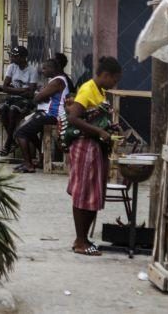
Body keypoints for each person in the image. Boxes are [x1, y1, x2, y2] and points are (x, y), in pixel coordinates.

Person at [66, 56, 122, 256]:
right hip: (85, 147)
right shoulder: (88, 89)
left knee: (93, 194)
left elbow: (96, 117)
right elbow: (73, 117)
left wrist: (109, 128)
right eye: (114, 80)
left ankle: (84, 238)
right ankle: (80, 241)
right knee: (83, 193)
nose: (114, 84)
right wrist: (99, 132)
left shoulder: (100, 91)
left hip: (96, 147)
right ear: (105, 75)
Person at [13, 56, 72, 173]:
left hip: (54, 115)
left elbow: (38, 98)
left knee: (20, 133)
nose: (42, 71)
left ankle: (28, 164)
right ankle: (39, 157)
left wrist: (40, 96)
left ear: (52, 69)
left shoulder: (57, 81)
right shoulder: (56, 80)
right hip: (49, 113)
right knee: (27, 130)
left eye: (45, 69)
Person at [0, 46, 39, 157]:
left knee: (12, 110)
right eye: (12, 55)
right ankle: (12, 142)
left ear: (23, 58)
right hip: (13, 98)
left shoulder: (32, 70)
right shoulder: (12, 67)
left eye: (15, 56)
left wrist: (14, 90)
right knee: (2, 108)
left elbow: (30, 93)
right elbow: (4, 87)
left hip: (25, 101)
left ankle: (8, 143)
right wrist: (22, 89)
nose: (12, 58)